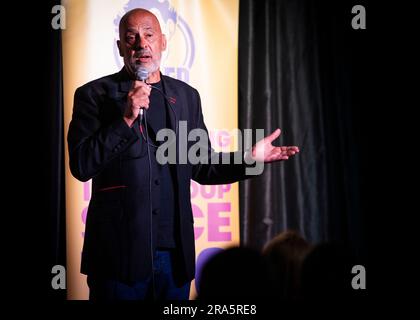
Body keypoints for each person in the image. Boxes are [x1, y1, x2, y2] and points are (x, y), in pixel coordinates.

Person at [67, 8, 299, 300]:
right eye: (131, 37)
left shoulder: (186, 96)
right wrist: (125, 119)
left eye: (149, 35)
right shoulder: (94, 95)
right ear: (120, 47)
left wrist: (250, 159)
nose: (141, 43)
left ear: (163, 42)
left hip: (173, 258)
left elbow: (202, 166)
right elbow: (81, 164)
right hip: (118, 257)